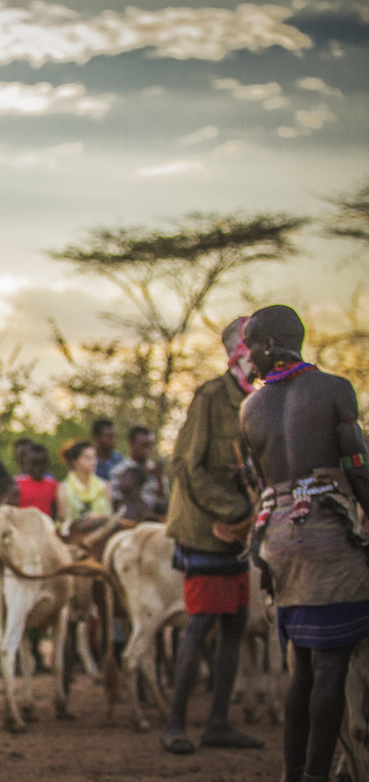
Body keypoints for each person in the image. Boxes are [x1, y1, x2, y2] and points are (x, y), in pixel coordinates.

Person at [240, 305, 369, 782]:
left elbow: (263, 481)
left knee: (304, 669)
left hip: (278, 539)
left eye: (251, 343)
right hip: (328, 538)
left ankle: (291, 773)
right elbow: (357, 467)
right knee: (332, 666)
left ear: (272, 343)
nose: (247, 354)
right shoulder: (334, 389)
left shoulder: (250, 406)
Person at [160, 317, 262, 755]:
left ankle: (218, 723)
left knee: (235, 622)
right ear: (239, 351)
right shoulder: (211, 396)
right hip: (206, 530)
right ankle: (175, 725)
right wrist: (235, 510)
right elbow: (187, 464)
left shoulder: (255, 400)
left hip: (239, 532)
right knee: (199, 624)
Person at [56, 439, 112, 534]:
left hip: (103, 533)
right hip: (75, 536)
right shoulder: (64, 488)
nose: (93, 462)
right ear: (75, 461)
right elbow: (64, 519)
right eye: (87, 458)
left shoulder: (104, 486)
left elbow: (110, 515)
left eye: (94, 458)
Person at [111, 426, 169, 514]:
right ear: (131, 444)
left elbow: (164, 500)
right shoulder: (119, 471)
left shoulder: (156, 470)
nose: (147, 450)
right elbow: (117, 501)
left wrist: (159, 479)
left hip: (156, 516)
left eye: (150, 445)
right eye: (143, 445)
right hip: (131, 517)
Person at [14, 443, 58, 519]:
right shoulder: (17, 484)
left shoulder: (53, 484)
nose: (37, 468)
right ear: (27, 464)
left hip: (46, 527)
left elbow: (55, 511)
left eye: (41, 464)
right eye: (34, 464)